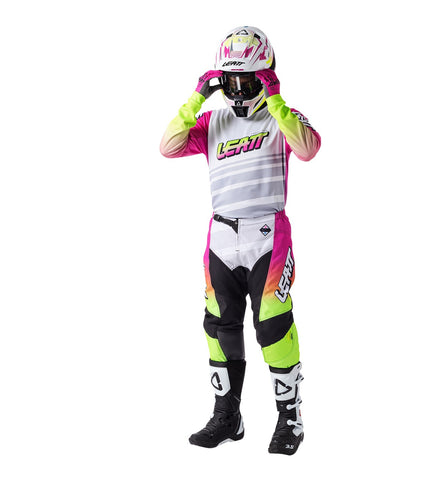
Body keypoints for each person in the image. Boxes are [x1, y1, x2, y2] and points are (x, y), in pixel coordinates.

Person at [160, 26, 321, 455]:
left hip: (267, 234)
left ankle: (290, 419)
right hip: (220, 234)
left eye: (247, 81)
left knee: (272, 323)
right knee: (218, 325)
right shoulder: (211, 121)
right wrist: (197, 97)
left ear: (266, 76)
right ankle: (227, 416)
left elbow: (308, 148)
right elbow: (168, 146)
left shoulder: (282, 117)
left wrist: (276, 99)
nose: (237, 90)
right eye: (230, 81)